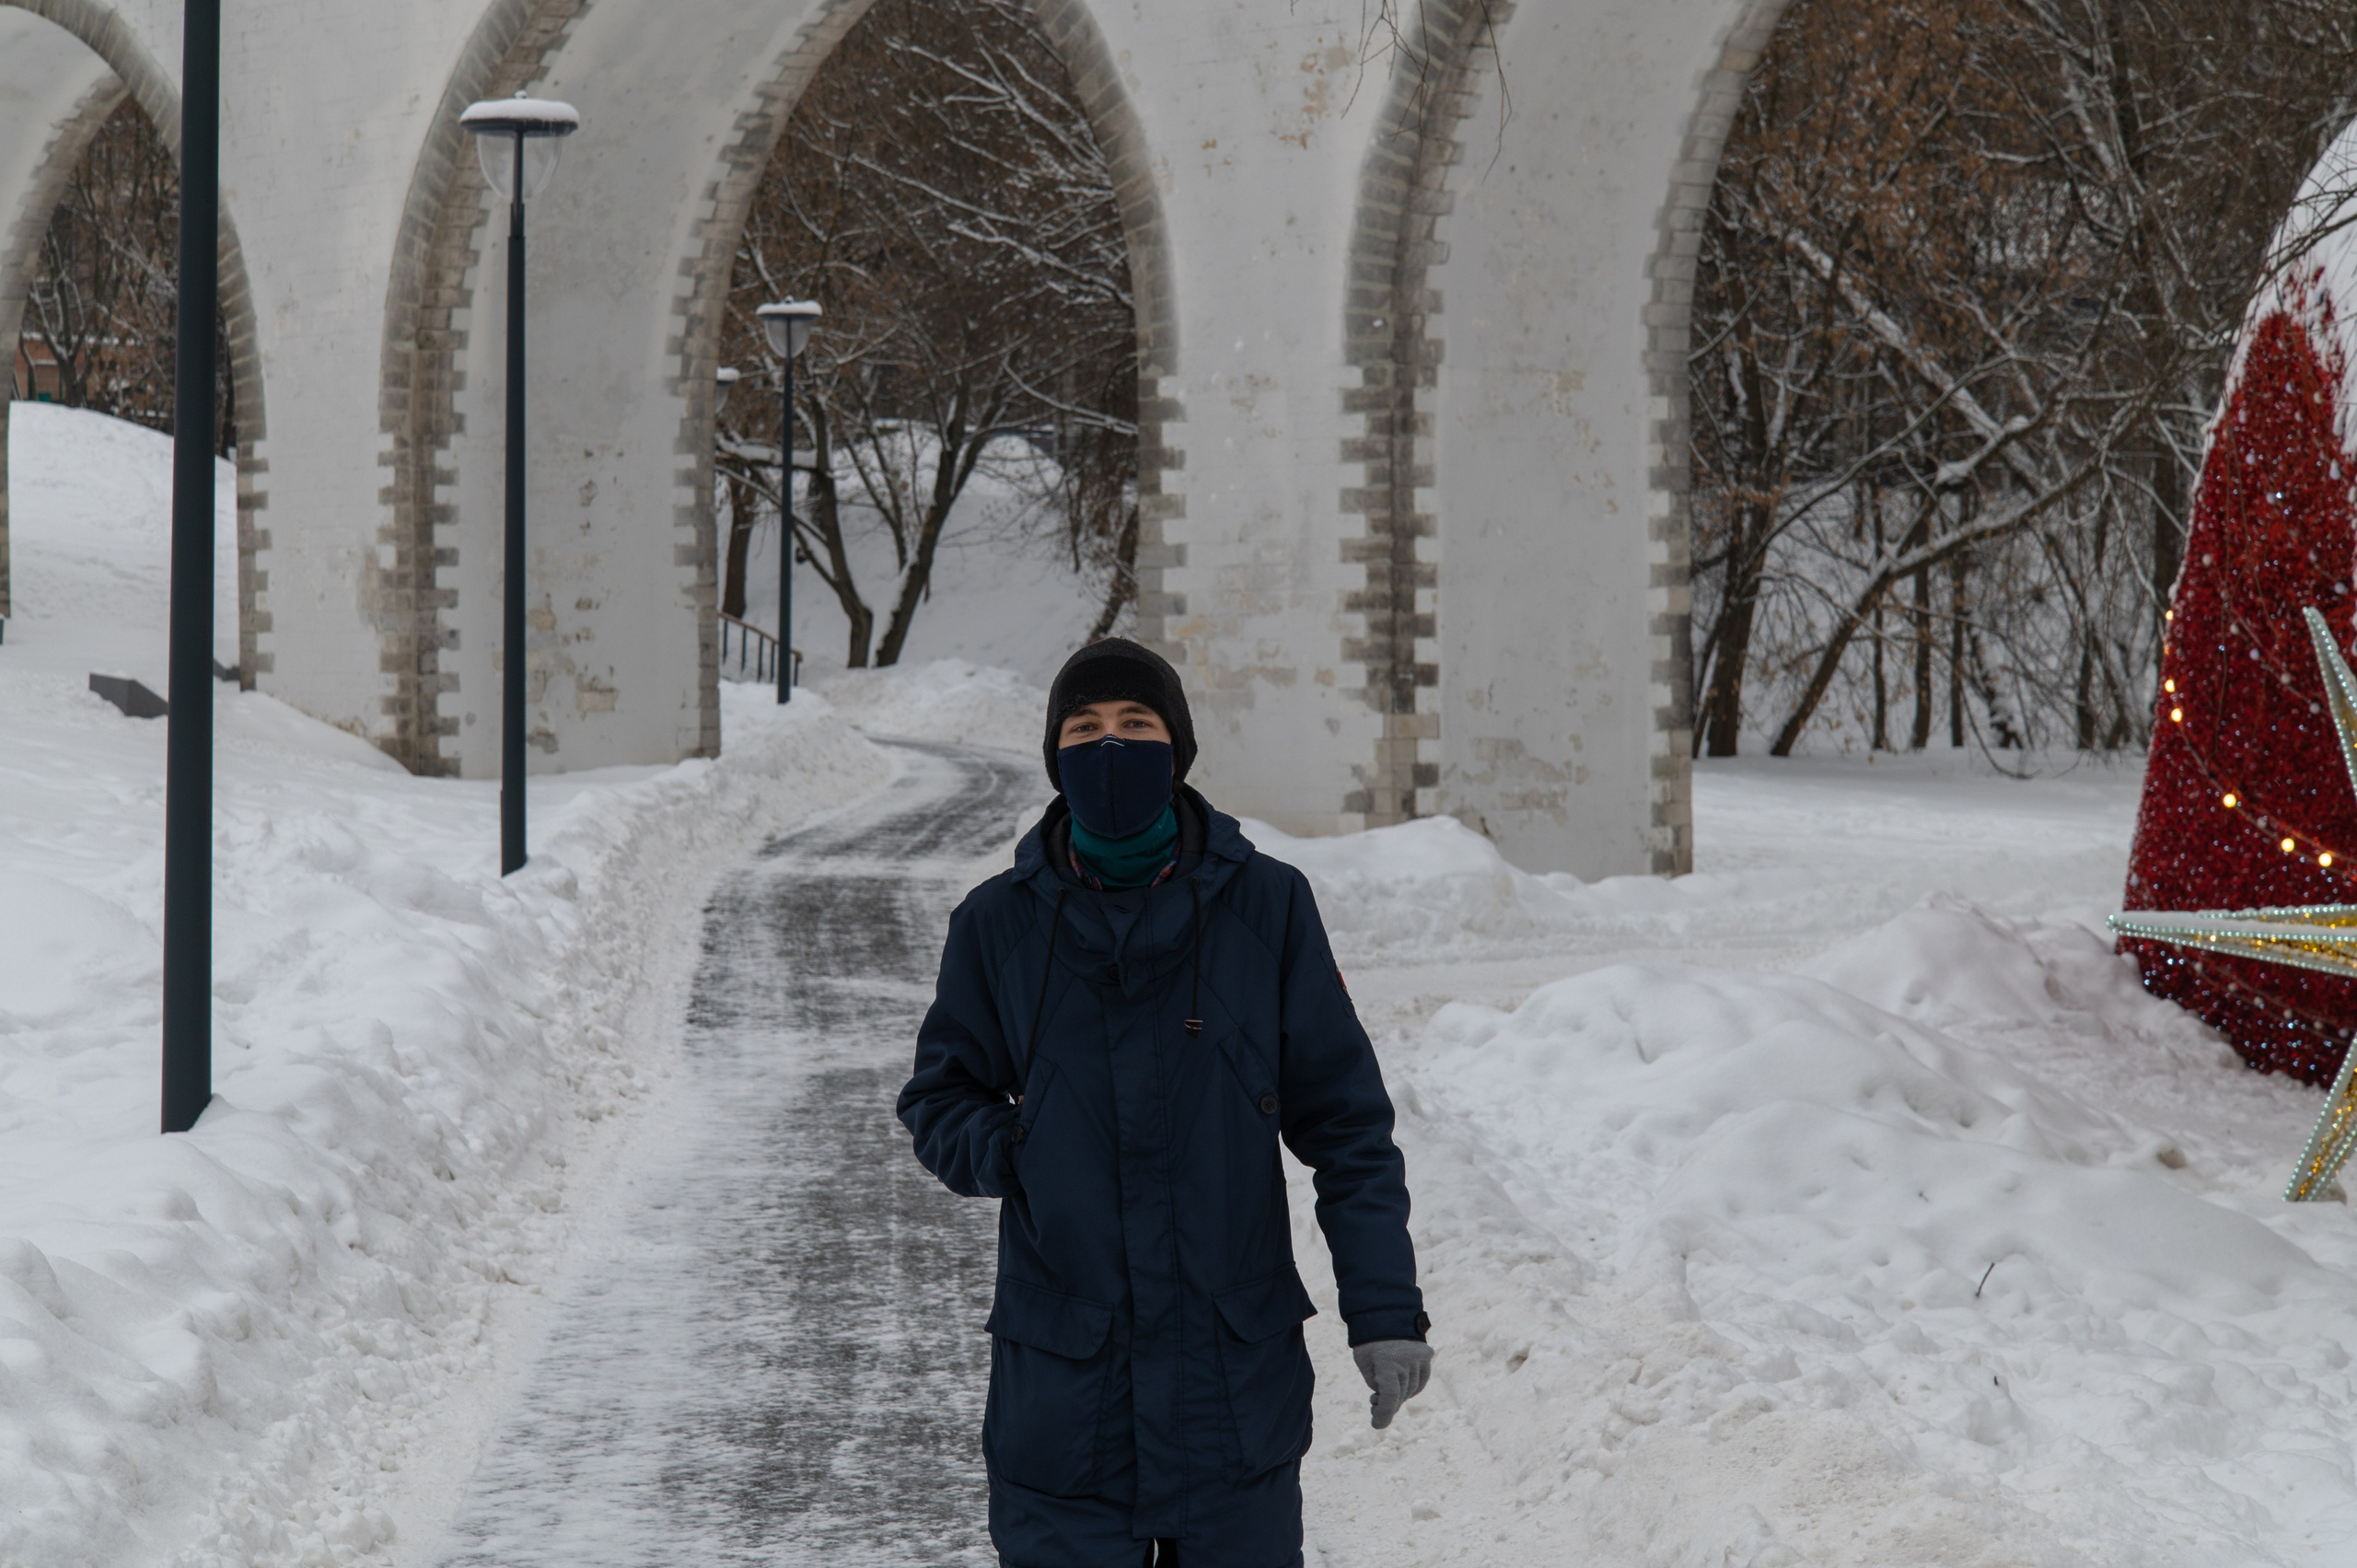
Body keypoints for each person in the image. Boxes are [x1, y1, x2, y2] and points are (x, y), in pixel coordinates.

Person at [898, 637, 1432, 1568]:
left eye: (1136, 725)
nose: (1111, 747)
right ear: (1056, 755)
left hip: (1231, 1386)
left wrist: (1383, 1308)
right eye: (1085, 727)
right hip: (1066, 1395)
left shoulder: (1266, 906)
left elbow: (1346, 1125)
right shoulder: (998, 922)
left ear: (1176, 748)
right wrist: (1014, 1143)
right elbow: (940, 1096)